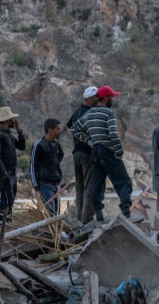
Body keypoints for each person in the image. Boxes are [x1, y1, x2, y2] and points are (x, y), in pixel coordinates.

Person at [72, 86, 138, 222]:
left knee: (98, 184)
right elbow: (113, 133)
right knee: (124, 182)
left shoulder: (89, 114)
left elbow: (75, 129)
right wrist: (119, 151)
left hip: (95, 152)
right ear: (106, 98)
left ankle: (99, 215)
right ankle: (127, 212)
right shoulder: (109, 112)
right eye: (111, 97)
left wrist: (89, 140)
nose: (112, 100)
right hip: (108, 150)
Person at [66, 86, 98, 224]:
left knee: (80, 187)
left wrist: (76, 141)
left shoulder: (77, 111)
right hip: (86, 154)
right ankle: (86, 220)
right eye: (96, 97)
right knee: (89, 186)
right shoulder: (90, 113)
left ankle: (78, 219)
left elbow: (69, 127)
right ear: (90, 98)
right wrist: (88, 141)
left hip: (76, 153)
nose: (98, 99)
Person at [0, 107, 25, 222]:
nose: (13, 121)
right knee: (6, 199)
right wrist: (4, 174)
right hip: (4, 174)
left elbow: (22, 146)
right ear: (6, 120)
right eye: (11, 119)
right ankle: (2, 223)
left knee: (10, 199)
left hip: (11, 173)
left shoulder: (8, 135)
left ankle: (5, 222)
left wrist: (19, 130)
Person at [31, 118, 64, 216]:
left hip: (55, 184)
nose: (59, 132)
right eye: (57, 129)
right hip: (45, 185)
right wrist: (36, 188)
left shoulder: (56, 144)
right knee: (51, 213)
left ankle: (56, 231)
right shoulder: (39, 145)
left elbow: (61, 156)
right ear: (50, 130)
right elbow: (33, 167)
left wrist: (55, 166)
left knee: (56, 213)